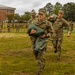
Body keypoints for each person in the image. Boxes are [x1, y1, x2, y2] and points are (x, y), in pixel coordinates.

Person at [28, 8, 55, 75]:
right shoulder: (34, 22)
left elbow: (52, 32)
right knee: (36, 54)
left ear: (45, 15)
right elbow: (29, 32)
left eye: (41, 14)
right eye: (39, 14)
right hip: (34, 41)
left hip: (42, 42)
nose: (40, 16)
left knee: (41, 56)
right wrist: (30, 33)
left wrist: (46, 36)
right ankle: (41, 63)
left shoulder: (48, 23)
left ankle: (40, 70)